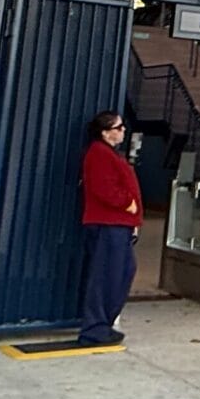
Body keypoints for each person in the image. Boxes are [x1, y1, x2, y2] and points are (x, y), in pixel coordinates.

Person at [77, 110, 141, 347]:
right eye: (118, 127)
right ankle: (95, 328)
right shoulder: (99, 154)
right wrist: (128, 204)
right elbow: (103, 187)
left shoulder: (109, 154)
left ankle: (103, 323)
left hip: (119, 223)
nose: (123, 130)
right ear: (105, 132)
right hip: (108, 222)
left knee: (122, 271)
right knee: (107, 275)